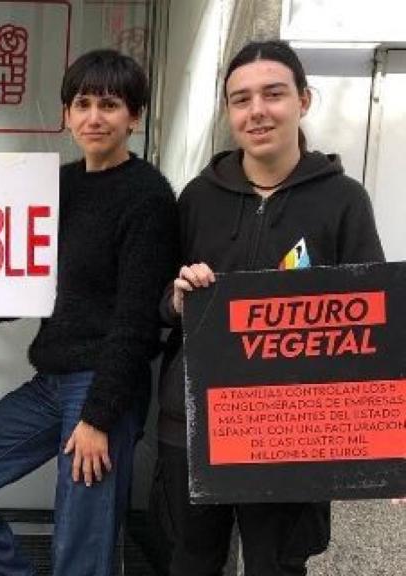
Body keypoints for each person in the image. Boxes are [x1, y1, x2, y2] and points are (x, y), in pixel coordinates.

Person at [0, 49, 179, 576]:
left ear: (135, 116)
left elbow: (135, 321)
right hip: (52, 382)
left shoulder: (148, 196)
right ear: (65, 114)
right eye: (82, 103)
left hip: (105, 386)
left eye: (110, 104)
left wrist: (99, 417)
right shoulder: (55, 186)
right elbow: (25, 288)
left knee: (81, 550)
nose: (94, 117)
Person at [153, 40, 384, 576]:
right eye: (241, 99)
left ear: (304, 100)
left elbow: (372, 321)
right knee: (190, 561)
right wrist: (176, 297)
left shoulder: (344, 200)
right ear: (229, 113)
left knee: (275, 566)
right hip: (194, 420)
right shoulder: (197, 197)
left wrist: (381, 444)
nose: (257, 110)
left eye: (273, 94)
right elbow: (158, 302)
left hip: (289, 426)